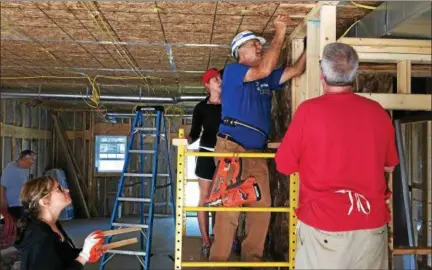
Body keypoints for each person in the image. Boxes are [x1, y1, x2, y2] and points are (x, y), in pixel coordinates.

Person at [275, 42, 399, 269]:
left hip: (324, 225)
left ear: (322, 74)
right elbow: (390, 166)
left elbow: (284, 165)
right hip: (370, 224)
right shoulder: (377, 113)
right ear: (355, 73)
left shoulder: (308, 111)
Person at [209, 15, 306, 263]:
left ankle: (252, 260)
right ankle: (218, 264)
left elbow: (296, 70)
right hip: (231, 147)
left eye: (260, 43)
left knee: (262, 209)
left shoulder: (264, 79)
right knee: (229, 208)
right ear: (239, 51)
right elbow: (264, 68)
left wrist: (314, 46)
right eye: (255, 43)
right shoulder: (232, 72)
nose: (259, 46)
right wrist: (280, 33)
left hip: (256, 152)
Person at [14, 176, 105, 270]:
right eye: (59, 189)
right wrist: (84, 256)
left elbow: (61, 255)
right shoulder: (42, 237)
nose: (67, 190)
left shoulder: (52, 225)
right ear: (45, 201)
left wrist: (88, 251)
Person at [188, 68, 223, 258]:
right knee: (205, 197)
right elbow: (194, 132)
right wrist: (185, 140)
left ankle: (223, 236)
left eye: (220, 78)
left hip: (226, 156)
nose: (219, 81)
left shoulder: (231, 104)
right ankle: (205, 240)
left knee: (223, 198)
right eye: (215, 79)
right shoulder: (200, 108)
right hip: (206, 155)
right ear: (207, 85)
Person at [1, 150, 36, 220]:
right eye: (32, 160)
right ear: (25, 158)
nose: (33, 162)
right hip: (12, 205)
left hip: (20, 203)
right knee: (13, 226)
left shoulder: (24, 169)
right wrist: (2, 201)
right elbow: (2, 186)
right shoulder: (11, 169)